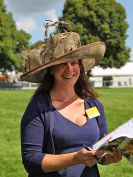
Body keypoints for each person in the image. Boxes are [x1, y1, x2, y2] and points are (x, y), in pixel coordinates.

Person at [20, 29, 122, 177]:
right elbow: (31, 160)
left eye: (74, 62)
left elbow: (100, 150)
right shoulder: (38, 107)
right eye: (62, 64)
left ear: (80, 66)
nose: (69, 69)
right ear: (51, 69)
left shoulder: (94, 105)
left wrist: (108, 157)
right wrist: (74, 158)